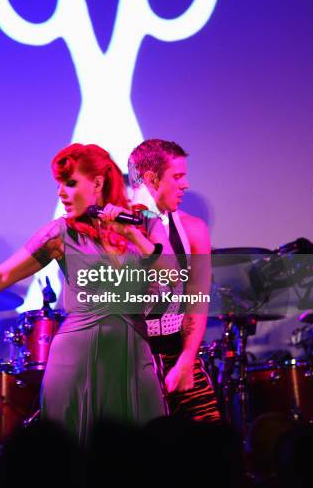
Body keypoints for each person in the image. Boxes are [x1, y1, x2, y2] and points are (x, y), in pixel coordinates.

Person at [0, 143, 171, 442]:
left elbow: (173, 279)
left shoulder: (145, 223)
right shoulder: (60, 233)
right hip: (77, 355)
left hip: (131, 350)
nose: (61, 192)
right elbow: (1, 275)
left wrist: (132, 236)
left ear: (98, 183)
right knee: (72, 453)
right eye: (59, 184)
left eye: (71, 183)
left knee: (142, 453)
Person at [128, 139, 220, 422]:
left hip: (177, 353)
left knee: (207, 437)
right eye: (177, 176)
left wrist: (187, 361)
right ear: (151, 179)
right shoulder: (117, 228)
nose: (186, 185)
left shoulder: (193, 229)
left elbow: (197, 300)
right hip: (127, 357)